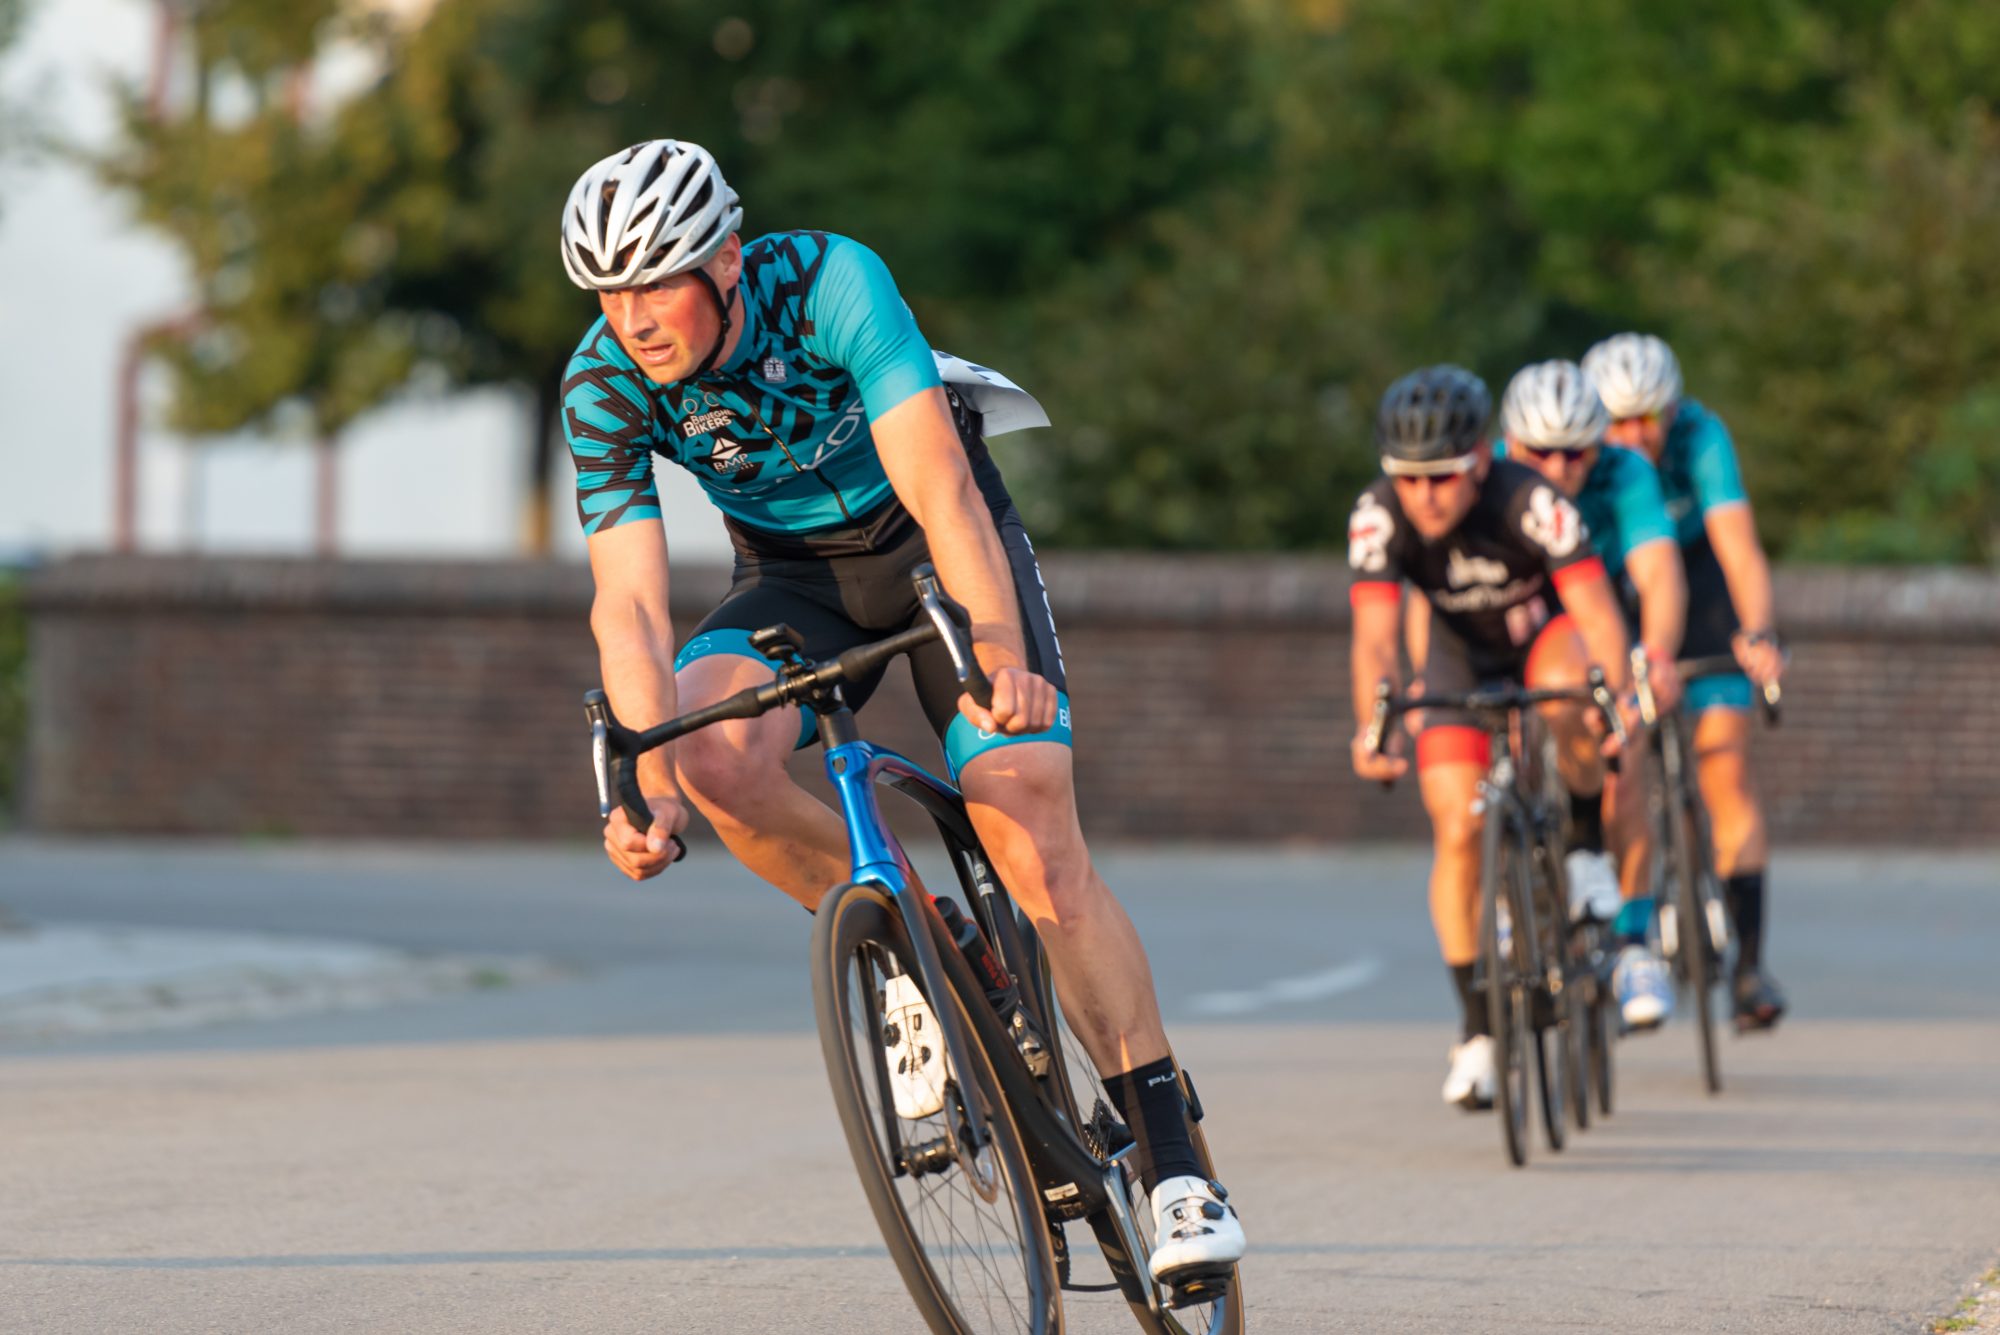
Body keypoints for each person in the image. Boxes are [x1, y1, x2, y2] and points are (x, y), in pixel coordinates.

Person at [556, 139, 1242, 1279]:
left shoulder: (829, 281)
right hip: (793, 575)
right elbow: (625, 604)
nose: (633, 319)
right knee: (710, 755)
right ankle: (916, 943)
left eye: (657, 283)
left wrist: (998, 655)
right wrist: (648, 780)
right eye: (608, 293)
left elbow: (942, 488)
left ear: (725, 260)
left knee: (1027, 820)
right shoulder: (602, 381)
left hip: (932, 543)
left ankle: (1175, 1169)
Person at [1347, 365, 1640, 1108]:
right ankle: (1478, 1025)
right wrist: (1374, 726)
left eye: (1443, 477)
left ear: (1480, 459)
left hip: (1545, 639)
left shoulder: (1531, 501)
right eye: (1409, 479)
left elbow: (1598, 614)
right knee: (1456, 827)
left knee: (1573, 689)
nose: (1426, 496)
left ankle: (1584, 847)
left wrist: (1617, 702)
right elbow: (1376, 639)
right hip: (1457, 660)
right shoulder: (1379, 516)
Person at [1582, 333, 1788, 1031]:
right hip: (1614, 584)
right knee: (1617, 760)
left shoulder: (1701, 437)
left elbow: (1739, 547)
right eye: (1618, 421)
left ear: (1673, 409)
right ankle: (1619, 926)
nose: (1634, 435)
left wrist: (1757, 632)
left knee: (1724, 768)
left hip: (1697, 589)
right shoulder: (1585, 460)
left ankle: (1750, 966)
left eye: (1649, 417)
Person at [1494, 359, 1686, 1030]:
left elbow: (1659, 574)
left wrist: (1654, 656)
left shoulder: (1626, 473)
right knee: (1501, 745)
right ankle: (1516, 894)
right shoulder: (1487, 479)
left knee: (1622, 755)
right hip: (1516, 618)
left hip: (1601, 617)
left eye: (1576, 452)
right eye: (1539, 453)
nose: (1558, 468)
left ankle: (1633, 940)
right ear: (1509, 445)